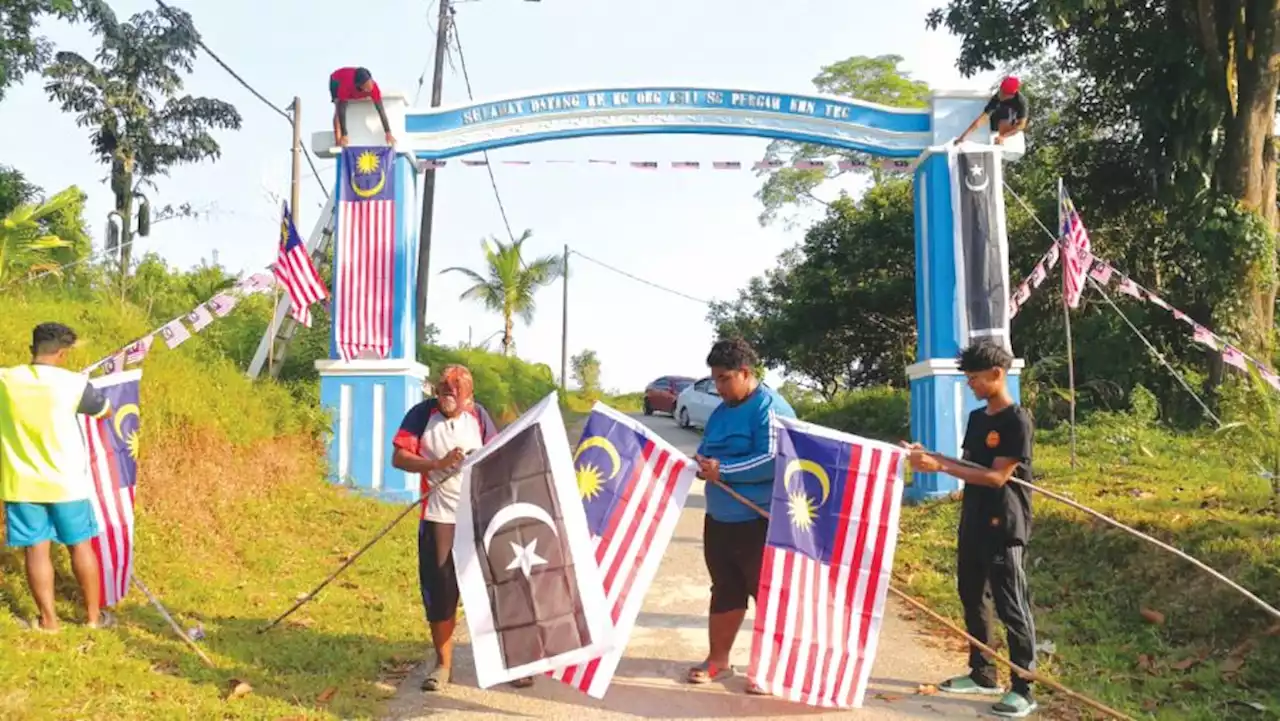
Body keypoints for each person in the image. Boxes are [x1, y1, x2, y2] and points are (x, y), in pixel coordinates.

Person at [906, 341, 1038, 719]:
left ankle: (1024, 687)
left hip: (1005, 524)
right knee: (972, 595)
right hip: (974, 519)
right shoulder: (979, 419)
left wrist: (940, 468)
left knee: (1012, 604)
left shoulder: (1017, 420)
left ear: (997, 375)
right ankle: (983, 673)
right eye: (968, 379)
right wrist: (929, 454)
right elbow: (968, 463)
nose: (971, 385)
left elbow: (996, 476)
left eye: (975, 378)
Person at [391, 365, 538, 693]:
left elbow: (499, 457)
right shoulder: (420, 415)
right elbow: (399, 457)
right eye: (443, 392)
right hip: (438, 517)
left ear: (469, 398)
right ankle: (443, 665)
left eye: (455, 395)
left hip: (480, 516)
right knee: (440, 591)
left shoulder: (479, 417)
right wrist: (436, 464)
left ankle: (512, 663)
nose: (448, 399)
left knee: (497, 586)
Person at [684, 337, 796, 694]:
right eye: (715, 379)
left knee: (768, 594)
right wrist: (701, 465)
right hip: (720, 519)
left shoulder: (770, 408)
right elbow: (705, 450)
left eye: (724, 379)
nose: (718, 387)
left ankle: (777, 669)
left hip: (759, 520)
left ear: (745, 373)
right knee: (725, 588)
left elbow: (773, 459)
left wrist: (724, 471)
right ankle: (719, 660)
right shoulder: (721, 411)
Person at [0, 322, 114, 632]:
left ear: (30, 350)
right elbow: (104, 411)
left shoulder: (6, 379)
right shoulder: (73, 384)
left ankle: (49, 621)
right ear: (62, 354)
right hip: (67, 483)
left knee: (36, 549)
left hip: (21, 483)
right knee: (80, 546)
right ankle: (92, 618)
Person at [329, 66, 395, 147]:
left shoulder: (374, 88)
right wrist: (344, 134)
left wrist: (388, 133)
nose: (370, 86)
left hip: (352, 84)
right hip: (336, 80)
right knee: (338, 108)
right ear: (360, 86)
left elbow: (381, 111)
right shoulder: (346, 86)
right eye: (367, 85)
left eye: (370, 82)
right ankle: (339, 141)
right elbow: (341, 110)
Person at [956, 76, 1029, 146]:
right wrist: (964, 136)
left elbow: (1021, 125)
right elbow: (983, 118)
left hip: (1008, 125)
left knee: (1006, 111)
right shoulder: (997, 97)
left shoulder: (1021, 102)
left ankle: (1000, 141)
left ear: (1011, 95)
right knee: (999, 110)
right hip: (993, 122)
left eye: (1004, 94)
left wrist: (1004, 136)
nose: (1001, 95)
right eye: (1001, 91)